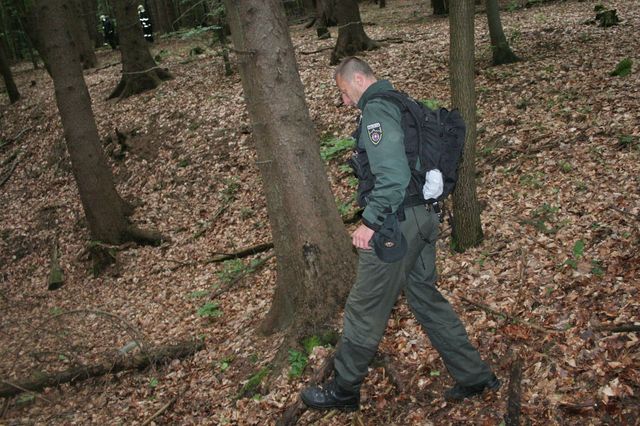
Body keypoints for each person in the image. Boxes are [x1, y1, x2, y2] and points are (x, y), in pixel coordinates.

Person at [300, 57, 500, 411]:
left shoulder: (377, 110)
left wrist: (370, 222)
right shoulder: (404, 103)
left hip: (397, 223)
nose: (345, 102)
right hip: (424, 218)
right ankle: (474, 375)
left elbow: (393, 177)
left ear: (359, 78)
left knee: (364, 305)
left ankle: (344, 389)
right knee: (424, 297)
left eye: (345, 93)